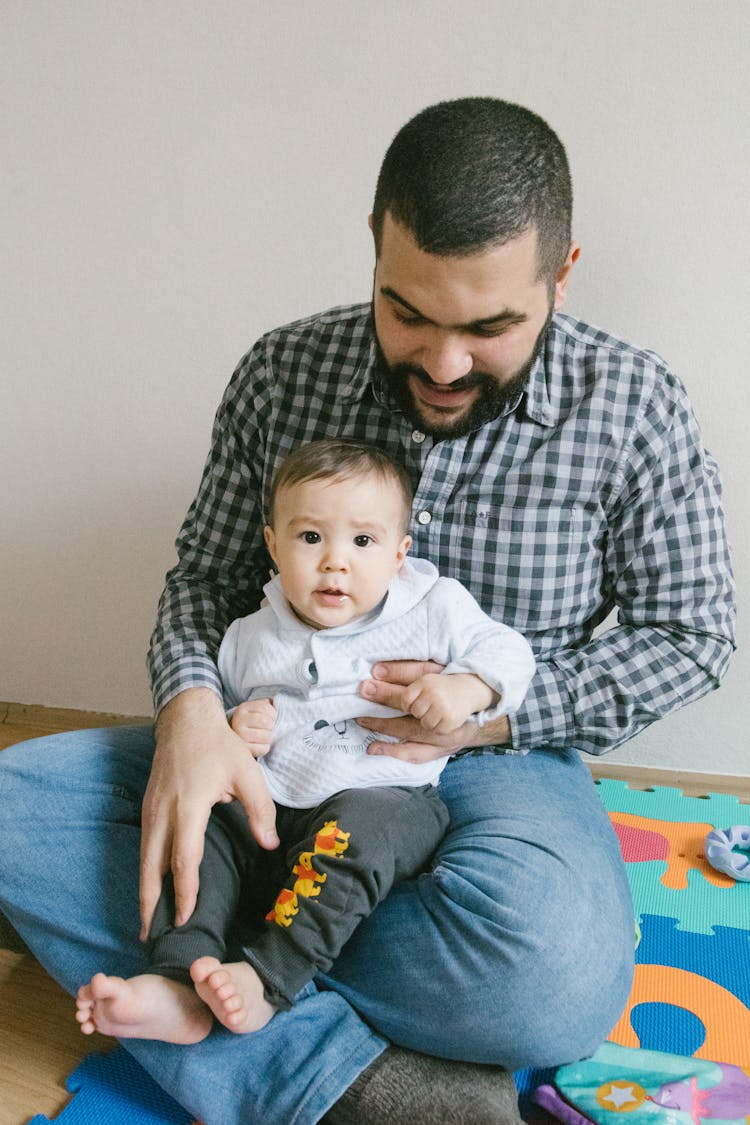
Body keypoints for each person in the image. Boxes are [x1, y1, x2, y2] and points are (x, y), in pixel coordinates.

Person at [0, 96, 735, 1125]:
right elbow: (205, 583)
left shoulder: (634, 405)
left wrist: (494, 706)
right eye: (409, 314)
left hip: (492, 768)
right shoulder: (283, 369)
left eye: (490, 328)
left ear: (560, 276)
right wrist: (190, 717)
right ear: (375, 249)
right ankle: (356, 1081)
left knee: (551, 976)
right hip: (277, 741)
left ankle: (196, 939)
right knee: (8, 810)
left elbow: (693, 635)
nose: (442, 366)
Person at [74, 439, 535, 1043]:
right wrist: (239, 725)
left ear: (400, 554)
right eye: (310, 538)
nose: (334, 562)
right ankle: (179, 979)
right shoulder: (251, 633)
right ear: (273, 545)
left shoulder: (433, 606)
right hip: (269, 802)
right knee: (197, 821)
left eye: (362, 542)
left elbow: (511, 652)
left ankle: (268, 980)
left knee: (356, 839)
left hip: (382, 793)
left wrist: (468, 689)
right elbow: (230, 705)